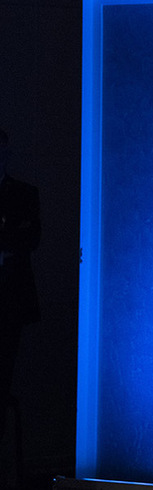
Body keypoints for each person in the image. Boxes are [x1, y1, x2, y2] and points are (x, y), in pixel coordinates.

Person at [0, 128, 41, 433]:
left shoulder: (24, 194)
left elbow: (31, 239)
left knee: (5, 368)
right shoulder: (23, 197)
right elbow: (21, 236)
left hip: (11, 298)